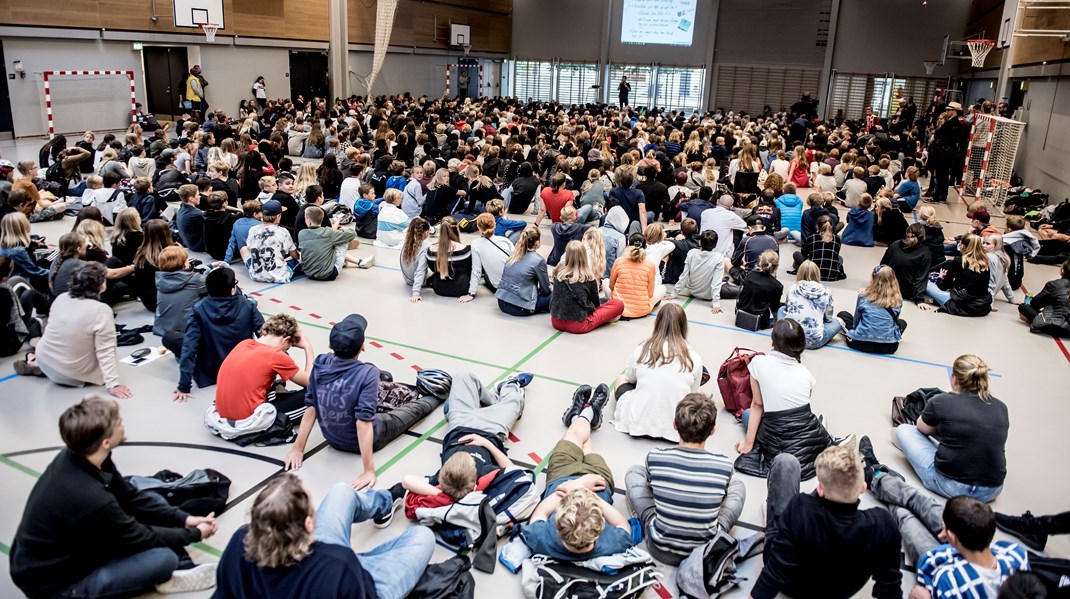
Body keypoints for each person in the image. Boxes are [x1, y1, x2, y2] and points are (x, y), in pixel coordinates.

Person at [10, 396, 219, 599]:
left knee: (156, 502)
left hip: (68, 549)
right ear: (106, 441)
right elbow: (141, 536)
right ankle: (166, 575)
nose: (122, 424)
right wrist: (195, 534)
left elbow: (129, 496)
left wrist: (184, 519)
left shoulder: (84, 455)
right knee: (163, 560)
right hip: (54, 585)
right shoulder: (90, 497)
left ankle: (175, 565)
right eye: (118, 422)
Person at [214, 473, 434, 599]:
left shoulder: (239, 541)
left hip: (325, 563)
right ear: (309, 524)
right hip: (360, 585)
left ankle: (386, 502)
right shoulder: (338, 565)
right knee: (422, 536)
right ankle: (367, 561)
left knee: (342, 490)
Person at [284, 314, 443, 488]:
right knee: (415, 409)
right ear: (363, 347)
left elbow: (311, 406)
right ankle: (438, 396)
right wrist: (368, 470)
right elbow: (363, 423)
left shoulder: (321, 362)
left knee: (383, 379)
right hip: (370, 437)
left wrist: (297, 449)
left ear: (330, 345)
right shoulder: (367, 373)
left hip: (332, 438)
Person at [747, 446, 902, 599]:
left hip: (790, 584)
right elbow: (889, 589)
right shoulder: (882, 525)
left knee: (785, 462)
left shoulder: (800, 507)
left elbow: (776, 570)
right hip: (839, 590)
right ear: (863, 488)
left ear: (820, 489)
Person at [624, 393, 745, 565]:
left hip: (660, 549)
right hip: (704, 552)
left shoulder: (655, 456)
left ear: (675, 425)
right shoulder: (724, 464)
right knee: (738, 485)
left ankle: (650, 519)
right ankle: (714, 529)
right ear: (713, 431)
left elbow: (649, 485)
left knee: (634, 472)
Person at [401, 369, 533, 518]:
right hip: (491, 430)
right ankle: (508, 385)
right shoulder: (484, 472)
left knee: (463, 376)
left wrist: (444, 494)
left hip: (460, 423)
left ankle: (486, 402)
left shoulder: (446, 478)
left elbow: (407, 481)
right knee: (515, 401)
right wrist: (485, 443)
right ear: (475, 484)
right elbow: (514, 470)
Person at [522, 395, 637, 561]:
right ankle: (587, 414)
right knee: (587, 447)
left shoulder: (543, 539)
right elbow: (622, 525)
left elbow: (541, 511)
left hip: (561, 475)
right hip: (598, 481)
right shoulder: (612, 544)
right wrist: (581, 488)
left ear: (558, 522)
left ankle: (582, 415)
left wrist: (578, 485)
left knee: (574, 434)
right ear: (599, 528)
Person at [734, 319, 846, 478]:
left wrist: (748, 443)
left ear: (773, 342)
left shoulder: (759, 362)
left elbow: (758, 405)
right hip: (807, 428)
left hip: (777, 432)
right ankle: (828, 439)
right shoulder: (806, 375)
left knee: (746, 415)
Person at [894, 354, 1009, 502]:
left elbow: (922, 428)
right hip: (992, 491)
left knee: (904, 430)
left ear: (954, 378)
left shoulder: (941, 401)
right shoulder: (1001, 407)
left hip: (951, 486)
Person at [26, 262, 133, 397]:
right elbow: (106, 349)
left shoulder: (61, 298)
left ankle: (34, 361)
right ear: (100, 285)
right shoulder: (101, 310)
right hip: (71, 375)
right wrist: (113, 384)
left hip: (44, 359)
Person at [612, 303, 703, 441]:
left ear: (657, 323)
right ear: (683, 326)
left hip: (637, 423)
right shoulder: (694, 358)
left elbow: (630, 378)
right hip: (678, 428)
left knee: (621, 378)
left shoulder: (642, 349)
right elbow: (692, 395)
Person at [172, 266, 263, 401]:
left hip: (211, 374)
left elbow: (189, 348)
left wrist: (184, 386)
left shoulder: (199, 309)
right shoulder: (247, 305)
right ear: (233, 290)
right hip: (242, 369)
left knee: (171, 337)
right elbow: (266, 335)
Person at [211, 313, 313, 428]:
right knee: (316, 393)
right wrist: (307, 347)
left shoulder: (244, 343)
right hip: (248, 418)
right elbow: (311, 383)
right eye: (287, 347)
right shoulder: (275, 355)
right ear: (286, 339)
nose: (285, 351)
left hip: (222, 413)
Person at [550, 241, 625, 334]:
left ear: (567, 256)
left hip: (556, 321)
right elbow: (596, 304)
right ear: (584, 256)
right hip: (578, 324)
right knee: (618, 304)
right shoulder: (588, 278)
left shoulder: (559, 276)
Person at [837, 265, 909, 355]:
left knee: (843, 314)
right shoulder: (898, 299)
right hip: (888, 347)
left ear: (873, 279)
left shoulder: (863, 296)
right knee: (902, 323)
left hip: (859, 343)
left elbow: (856, 322)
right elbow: (893, 322)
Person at [922, 234, 992, 316]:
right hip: (982, 306)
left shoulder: (959, 261)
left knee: (927, 284)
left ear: (962, 246)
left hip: (962, 304)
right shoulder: (984, 263)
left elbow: (943, 287)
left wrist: (940, 278)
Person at [778, 261, 842, 350]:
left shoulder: (793, 288)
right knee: (839, 321)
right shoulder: (826, 291)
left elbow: (788, 308)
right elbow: (829, 318)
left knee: (781, 309)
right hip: (813, 342)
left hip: (789, 339)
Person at [299, 206, 370, 281]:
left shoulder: (301, 233)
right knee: (342, 240)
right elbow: (352, 233)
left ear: (309, 221)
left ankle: (347, 261)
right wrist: (340, 232)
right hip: (328, 274)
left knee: (326, 244)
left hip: (308, 273)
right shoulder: (328, 233)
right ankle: (347, 261)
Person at [153, 245, 207, 344]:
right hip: (188, 327)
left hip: (165, 327)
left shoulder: (160, 280)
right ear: (183, 264)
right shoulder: (195, 279)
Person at [411, 216, 473, 301]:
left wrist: (415, 293)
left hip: (439, 288)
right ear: (456, 229)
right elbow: (471, 270)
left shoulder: (431, 250)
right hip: (462, 288)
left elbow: (432, 269)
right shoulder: (465, 250)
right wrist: (471, 293)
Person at [495, 227, 552, 316]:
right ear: (537, 242)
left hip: (502, 302)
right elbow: (545, 290)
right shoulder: (538, 260)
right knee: (555, 295)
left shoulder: (513, 255)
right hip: (519, 307)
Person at [243, 199, 301, 284]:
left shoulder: (253, 229)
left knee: (244, 250)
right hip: (278, 276)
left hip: (256, 275)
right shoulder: (282, 231)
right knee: (299, 260)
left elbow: (249, 247)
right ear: (278, 216)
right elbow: (295, 256)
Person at [672, 229, 727, 313]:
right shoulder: (719, 257)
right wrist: (716, 304)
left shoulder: (691, 253)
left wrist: (674, 293)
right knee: (736, 290)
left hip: (692, 291)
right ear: (715, 245)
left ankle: (725, 281)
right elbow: (716, 283)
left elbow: (684, 275)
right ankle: (726, 282)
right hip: (709, 295)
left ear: (700, 242)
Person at [610, 233, 659, 319]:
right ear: (645, 248)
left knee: (606, 281)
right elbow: (650, 294)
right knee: (662, 289)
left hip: (618, 308)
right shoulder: (650, 265)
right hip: (642, 310)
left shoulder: (619, 261)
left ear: (628, 245)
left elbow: (611, 286)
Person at [1018, 257, 1070, 337]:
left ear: (1062, 271)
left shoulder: (1054, 284)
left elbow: (1034, 303)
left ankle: (1039, 323)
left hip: (1054, 326)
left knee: (1023, 307)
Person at [466, 212, 513, 299]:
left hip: (498, 287)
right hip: (513, 283)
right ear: (495, 225)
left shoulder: (475, 244)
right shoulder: (505, 241)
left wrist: (471, 293)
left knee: (486, 274)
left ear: (478, 227)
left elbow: (477, 271)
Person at [881, 223, 932, 303]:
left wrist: (874, 288)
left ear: (907, 233)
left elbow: (882, 266)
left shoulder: (895, 244)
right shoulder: (925, 252)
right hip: (905, 293)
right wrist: (919, 300)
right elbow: (921, 277)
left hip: (886, 288)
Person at [735, 250, 783, 329]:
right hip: (761, 321)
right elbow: (774, 308)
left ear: (760, 262)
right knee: (782, 308)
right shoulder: (777, 286)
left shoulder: (750, 275)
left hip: (740, 313)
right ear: (776, 266)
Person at [792, 215, 845, 281]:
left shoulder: (812, 237)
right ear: (831, 226)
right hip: (831, 275)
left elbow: (804, 253)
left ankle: (799, 266)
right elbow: (836, 254)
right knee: (840, 258)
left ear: (817, 226)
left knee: (796, 254)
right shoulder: (837, 239)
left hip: (812, 273)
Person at [700, 194, 747, 258]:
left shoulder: (705, 213)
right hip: (722, 255)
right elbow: (746, 227)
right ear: (731, 207)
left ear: (717, 201)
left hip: (703, 251)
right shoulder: (731, 216)